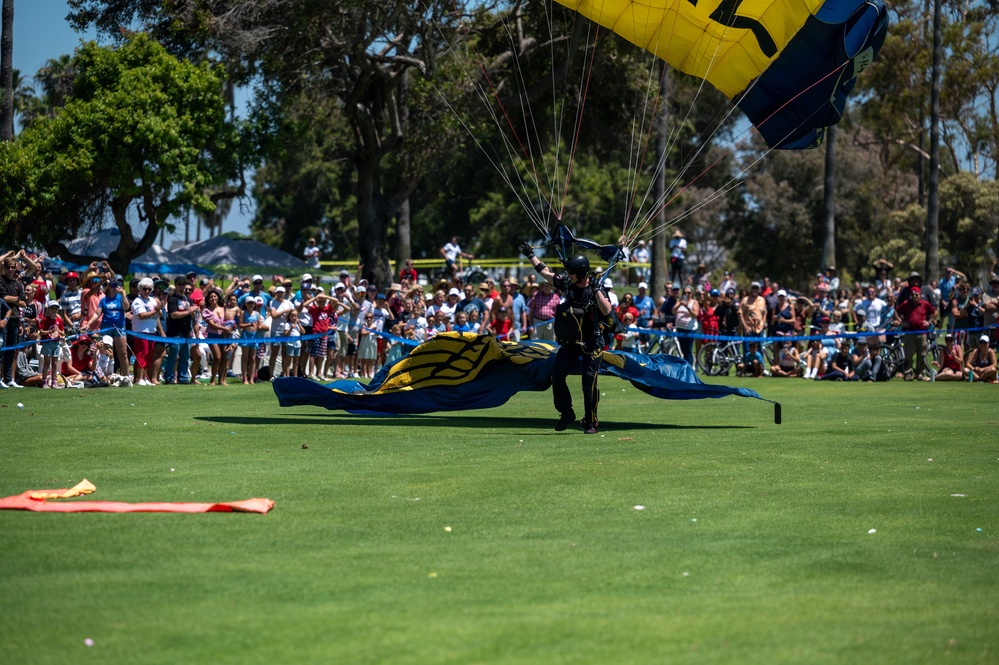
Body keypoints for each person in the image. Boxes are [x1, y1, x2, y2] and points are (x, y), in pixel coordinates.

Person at [519, 242, 612, 434]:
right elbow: (546, 274)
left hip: (592, 341)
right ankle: (566, 412)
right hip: (571, 341)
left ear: (582, 273)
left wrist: (596, 290)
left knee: (588, 381)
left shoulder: (594, 289)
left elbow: (607, 309)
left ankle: (590, 421)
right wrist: (530, 255)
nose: (568, 276)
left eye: (571, 273)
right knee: (557, 376)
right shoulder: (569, 284)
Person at [893, 285, 937, 381]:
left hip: (922, 333)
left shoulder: (925, 304)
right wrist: (902, 322)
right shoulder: (906, 303)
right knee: (908, 354)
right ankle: (908, 373)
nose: (915, 296)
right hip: (909, 333)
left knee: (921, 354)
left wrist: (929, 322)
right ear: (911, 295)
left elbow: (935, 313)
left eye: (916, 294)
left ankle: (920, 373)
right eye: (913, 295)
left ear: (919, 295)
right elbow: (896, 311)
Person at [163, 278, 198, 384]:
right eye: (179, 284)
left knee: (185, 357)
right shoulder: (172, 299)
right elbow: (173, 315)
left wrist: (193, 312)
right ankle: (169, 378)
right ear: (176, 285)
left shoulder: (188, 299)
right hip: (175, 333)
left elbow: (192, 316)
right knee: (173, 357)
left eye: (184, 284)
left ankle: (183, 378)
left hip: (186, 333)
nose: (182, 287)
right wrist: (188, 312)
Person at [0, 256, 27, 387]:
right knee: (2, 348)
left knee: (12, 349)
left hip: (16, 319)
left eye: (12, 267)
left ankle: (9, 379)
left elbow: (23, 303)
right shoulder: (1, 281)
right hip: (3, 318)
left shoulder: (18, 284)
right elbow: (4, 298)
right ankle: (0, 379)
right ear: (4, 268)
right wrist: (17, 299)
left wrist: (14, 299)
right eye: (8, 267)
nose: (10, 270)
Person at [130, 278, 162, 386]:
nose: (147, 291)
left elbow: (159, 315)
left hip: (151, 331)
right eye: (144, 289)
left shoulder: (152, 300)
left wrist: (158, 310)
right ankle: (139, 379)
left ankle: (145, 377)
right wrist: (154, 311)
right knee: (141, 354)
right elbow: (141, 315)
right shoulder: (137, 301)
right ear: (140, 289)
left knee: (149, 355)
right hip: (140, 331)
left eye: (149, 289)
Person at [39, 301, 65, 389]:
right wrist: (50, 331)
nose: (54, 310)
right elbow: (41, 332)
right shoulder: (45, 320)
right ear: (48, 309)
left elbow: (62, 332)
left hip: (56, 343)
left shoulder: (59, 320)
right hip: (47, 343)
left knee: (54, 363)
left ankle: (54, 382)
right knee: (47, 363)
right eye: (52, 308)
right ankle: (44, 382)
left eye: (56, 308)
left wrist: (59, 332)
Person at [673, 286, 700, 366]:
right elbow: (673, 311)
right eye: (685, 293)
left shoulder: (694, 302)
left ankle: (689, 367)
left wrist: (686, 307)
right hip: (680, 328)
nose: (686, 294)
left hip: (689, 329)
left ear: (692, 294)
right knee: (683, 349)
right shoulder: (679, 301)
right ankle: (685, 366)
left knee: (688, 349)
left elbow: (695, 314)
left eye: (688, 293)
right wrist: (679, 304)